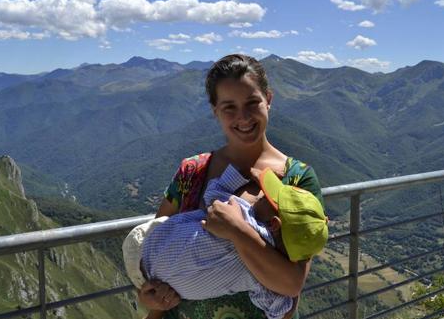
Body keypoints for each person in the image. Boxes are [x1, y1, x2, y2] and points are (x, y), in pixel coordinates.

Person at [138, 54, 324, 319]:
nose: (244, 117)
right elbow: (156, 252)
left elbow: (292, 283)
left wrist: (237, 230)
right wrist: (149, 298)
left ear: (268, 100)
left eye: (252, 103)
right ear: (215, 111)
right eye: (229, 107)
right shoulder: (192, 173)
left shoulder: (297, 179)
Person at [123, 164, 328, 319]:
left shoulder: (239, 212)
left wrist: (245, 177)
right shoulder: (265, 277)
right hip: (163, 284)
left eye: (267, 197)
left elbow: (216, 191)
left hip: (144, 248)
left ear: (274, 223)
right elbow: (283, 308)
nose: (263, 195)